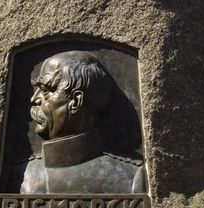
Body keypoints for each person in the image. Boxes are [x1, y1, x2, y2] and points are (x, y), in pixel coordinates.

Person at [20, 51, 146, 194]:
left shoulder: (131, 178)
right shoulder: (19, 177)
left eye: (46, 90)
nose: (34, 99)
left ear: (76, 101)